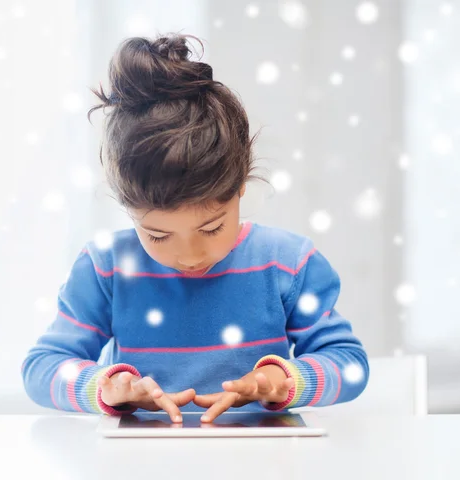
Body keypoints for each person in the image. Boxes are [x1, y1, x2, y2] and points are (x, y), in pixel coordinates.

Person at [21, 33, 369, 423]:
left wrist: (284, 380)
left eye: (211, 228)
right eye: (157, 235)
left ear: (240, 188)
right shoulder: (106, 268)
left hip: (264, 462)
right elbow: (42, 368)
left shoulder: (288, 264)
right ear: (126, 208)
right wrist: (107, 387)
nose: (189, 255)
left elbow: (349, 364)